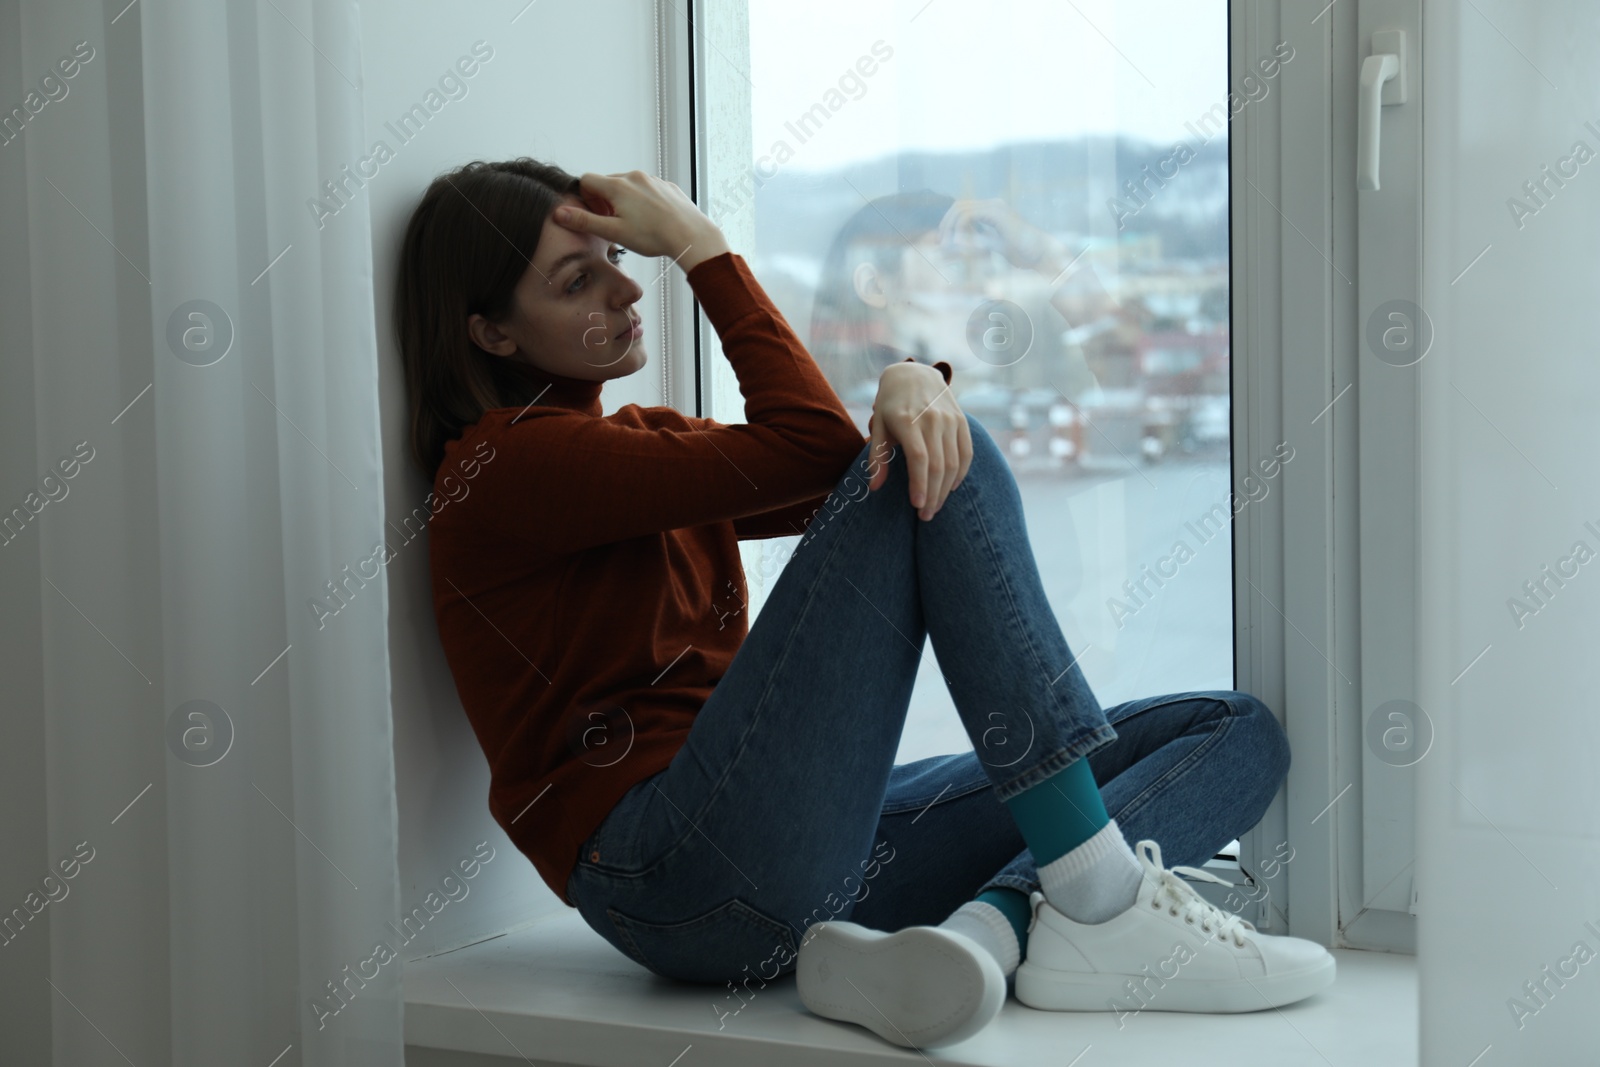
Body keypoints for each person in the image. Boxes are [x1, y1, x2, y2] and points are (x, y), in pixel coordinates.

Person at [395, 158, 1335, 1052]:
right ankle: (1093, 905)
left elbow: (838, 475)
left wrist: (913, 385)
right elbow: (832, 459)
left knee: (1232, 728)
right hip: (673, 870)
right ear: (491, 333)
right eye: (576, 282)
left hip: (785, 844)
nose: (629, 291)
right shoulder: (504, 466)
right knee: (947, 462)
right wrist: (702, 246)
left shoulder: (642, 445)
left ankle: (984, 937)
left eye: (619, 261)